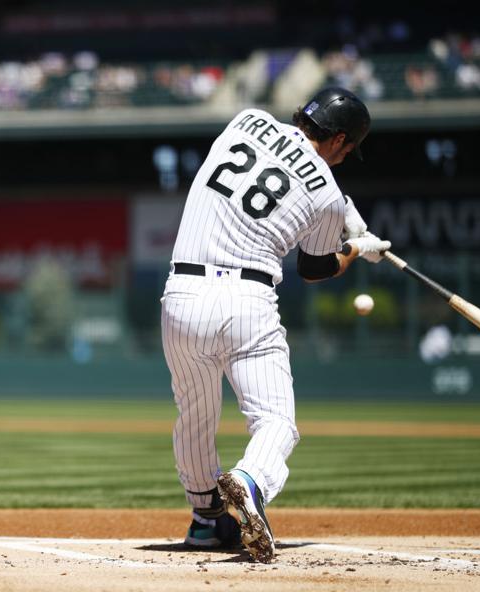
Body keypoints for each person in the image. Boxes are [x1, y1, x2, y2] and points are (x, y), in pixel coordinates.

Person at [160, 87, 390, 562]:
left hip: (181, 296)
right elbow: (315, 269)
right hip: (247, 300)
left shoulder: (245, 120)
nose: (345, 158)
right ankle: (251, 481)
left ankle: (206, 521)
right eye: (347, 149)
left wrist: (338, 204)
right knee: (276, 422)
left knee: (196, 416)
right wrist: (357, 247)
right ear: (339, 139)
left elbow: (268, 172)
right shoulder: (326, 193)